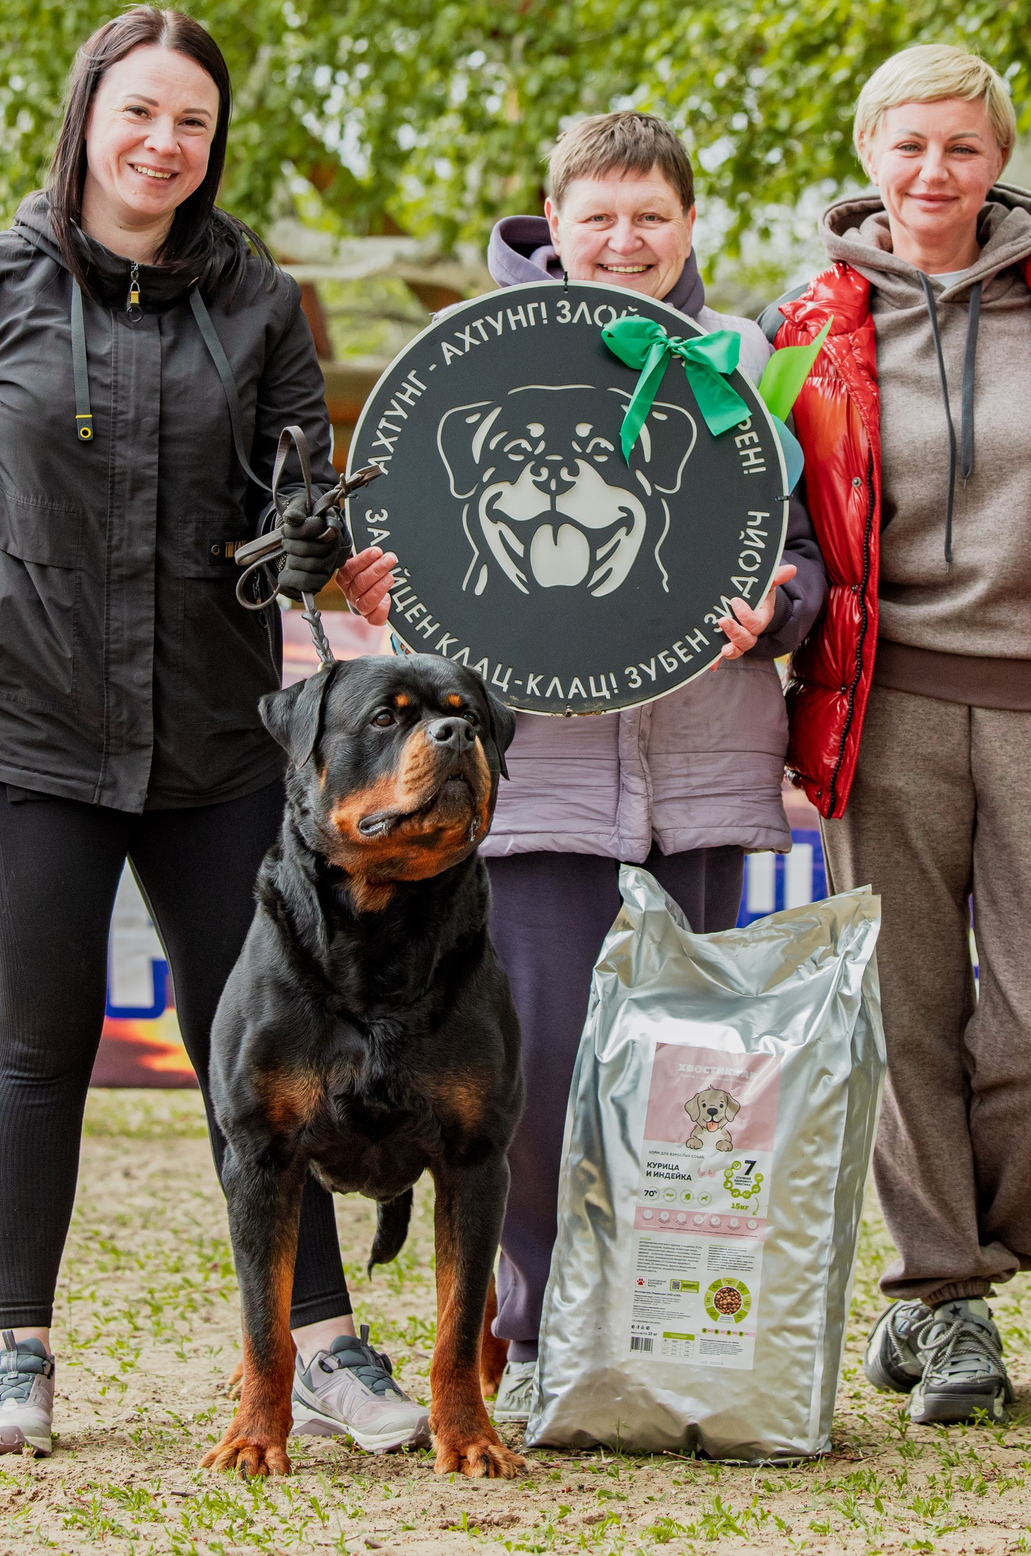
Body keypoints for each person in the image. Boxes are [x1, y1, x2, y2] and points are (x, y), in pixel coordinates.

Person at [0, 6, 427, 1461]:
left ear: (213, 145)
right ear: (88, 118)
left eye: (193, 123)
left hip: (216, 742)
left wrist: (309, 539)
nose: (164, 144)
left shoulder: (259, 302)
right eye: (140, 113)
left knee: (267, 1043)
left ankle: (324, 1348)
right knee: (40, 1041)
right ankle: (18, 1355)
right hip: (26, 727)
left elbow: (299, 493)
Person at [337, 110, 827, 1422]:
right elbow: (402, 548)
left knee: (688, 1089)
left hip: (700, 780)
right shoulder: (462, 362)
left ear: (689, 226)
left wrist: (780, 606)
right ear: (554, 221)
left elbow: (804, 555)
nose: (624, 241)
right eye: (598, 217)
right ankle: (539, 1325)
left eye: (650, 217)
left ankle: (666, 1340)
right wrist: (383, 590)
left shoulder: (743, 368)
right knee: (537, 1077)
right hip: (534, 792)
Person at [763, 46, 1031, 1425]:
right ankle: (945, 1296)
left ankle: (961, 1262)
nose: (934, 172)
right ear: (870, 152)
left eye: (963, 147)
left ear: (1001, 161)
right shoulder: (798, 328)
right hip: (884, 706)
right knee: (902, 1016)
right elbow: (765, 518)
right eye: (910, 144)